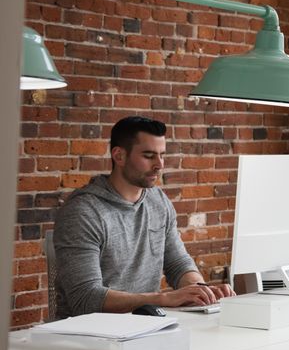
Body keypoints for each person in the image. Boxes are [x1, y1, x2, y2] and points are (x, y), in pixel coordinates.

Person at [53, 116, 234, 319]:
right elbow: (85, 299)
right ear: (119, 156)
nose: (159, 165)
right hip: (88, 335)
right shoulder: (83, 212)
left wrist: (200, 290)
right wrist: (162, 299)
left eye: (162, 155)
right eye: (149, 156)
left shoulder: (158, 201)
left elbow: (178, 263)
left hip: (146, 324)